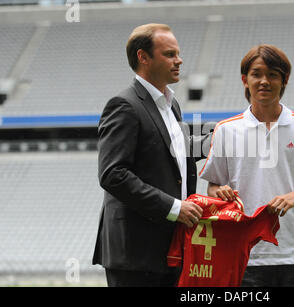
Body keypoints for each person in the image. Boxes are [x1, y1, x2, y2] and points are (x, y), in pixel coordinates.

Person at [199, 44, 294, 287]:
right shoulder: (226, 130)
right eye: (257, 74)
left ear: (284, 80)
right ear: (245, 80)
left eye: (272, 74)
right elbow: (213, 187)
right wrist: (219, 192)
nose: (264, 81)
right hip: (243, 254)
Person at [92, 23, 209, 287]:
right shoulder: (124, 105)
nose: (179, 60)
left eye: (177, 53)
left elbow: (173, 151)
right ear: (143, 57)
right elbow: (112, 174)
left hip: (169, 248)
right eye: (169, 54)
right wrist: (174, 208)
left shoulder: (171, 105)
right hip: (136, 253)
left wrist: (229, 137)